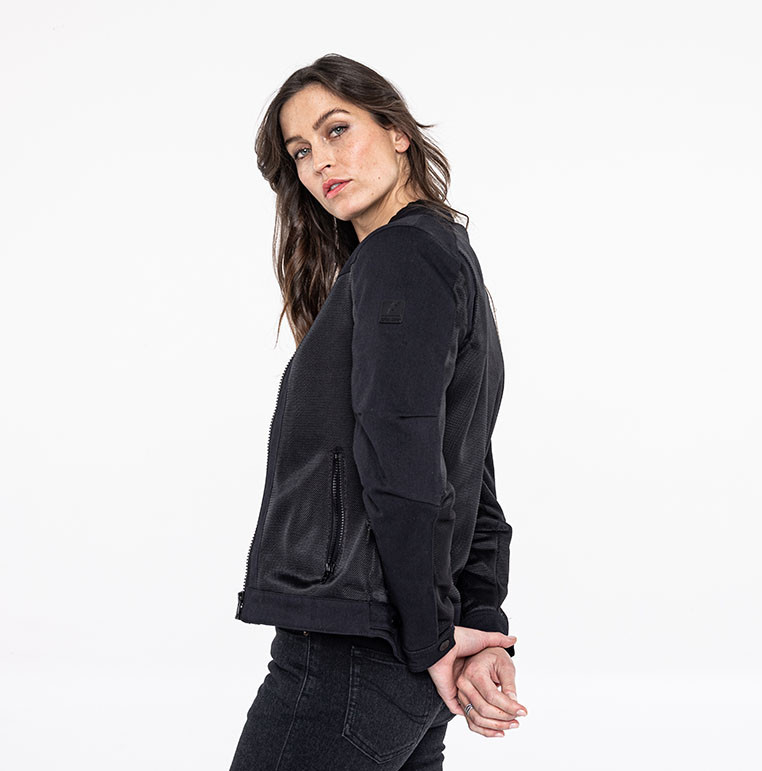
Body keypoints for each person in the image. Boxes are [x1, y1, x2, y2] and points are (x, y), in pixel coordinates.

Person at [229, 54, 525, 771]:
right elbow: (469, 468)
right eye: (301, 151)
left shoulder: (402, 257)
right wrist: (475, 624)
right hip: (403, 659)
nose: (320, 162)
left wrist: (434, 638)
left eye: (337, 129)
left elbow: (406, 462)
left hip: (354, 655)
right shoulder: (441, 256)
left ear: (396, 130)